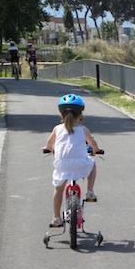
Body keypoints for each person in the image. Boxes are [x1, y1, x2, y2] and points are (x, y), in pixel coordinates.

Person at [42, 94, 102, 226]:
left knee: (58, 190)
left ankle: (56, 218)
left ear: (62, 115)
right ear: (80, 115)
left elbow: (49, 142)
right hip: (80, 163)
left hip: (62, 165)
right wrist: (96, 150)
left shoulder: (57, 129)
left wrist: (48, 148)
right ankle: (90, 191)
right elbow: (92, 144)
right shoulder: (83, 129)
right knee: (92, 164)